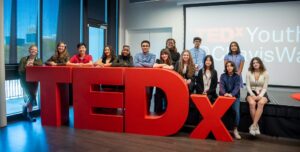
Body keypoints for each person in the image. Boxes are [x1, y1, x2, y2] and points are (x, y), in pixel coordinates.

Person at [18, 45, 43, 122]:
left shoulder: (38, 60)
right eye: (32, 49)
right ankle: (26, 109)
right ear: (29, 50)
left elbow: (40, 66)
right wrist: (27, 66)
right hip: (25, 81)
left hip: (34, 81)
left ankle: (29, 113)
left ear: (37, 51)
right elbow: (20, 70)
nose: (34, 51)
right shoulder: (23, 59)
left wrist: (32, 64)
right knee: (30, 96)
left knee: (33, 96)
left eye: (35, 50)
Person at [246, 57, 270, 136]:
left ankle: (253, 126)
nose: (255, 64)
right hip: (251, 92)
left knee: (260, 103)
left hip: (262, 92)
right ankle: (256, 126)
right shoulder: (249, 72)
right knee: (252, 103)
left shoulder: (265, 72)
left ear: (260, 63)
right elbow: (248, 86)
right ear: (252, 65)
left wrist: (260, 96)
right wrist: (252, 95)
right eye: (253, 63)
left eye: (257, 62)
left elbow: (265, 87)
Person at [219, 61, 241, 139]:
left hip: (234, 96)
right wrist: (225, 94)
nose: (229, 67)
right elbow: (221, 87)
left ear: (233, 67)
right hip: (224, 96)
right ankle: (220, 129)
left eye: (231, 66)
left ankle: (235, 129)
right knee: (220, 111)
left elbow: (237, 87)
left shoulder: (237, 76)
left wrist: (231, 94)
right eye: (227, 66)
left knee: (236, 111)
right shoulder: (222, 75)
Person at [134, 40, 156, 113]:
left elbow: (151, 65)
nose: (145, 47)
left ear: (149, 47)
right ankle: (139, 112)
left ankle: (147, 112)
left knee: (148, 97)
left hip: (150, 79)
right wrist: (146, 64)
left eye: (146, 46)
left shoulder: (153, 55)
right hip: (139, 79)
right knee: (139, 97)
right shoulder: (137, 55)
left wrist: (140, 63)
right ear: (141, 47)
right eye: (143, 46)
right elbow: (135, 65)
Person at [153, 49, 173, 114]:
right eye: (162, 54)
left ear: (168, 54)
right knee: (158, 99)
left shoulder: (172, 62)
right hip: (159, 84)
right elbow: (154, 66)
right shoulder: (158, 60)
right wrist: (164, 65)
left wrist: (161, 66)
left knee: (168, 100)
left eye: (165, 54)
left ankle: (167, 113)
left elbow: (171, 68)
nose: (164, 55)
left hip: (168, 84)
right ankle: (158, 113)